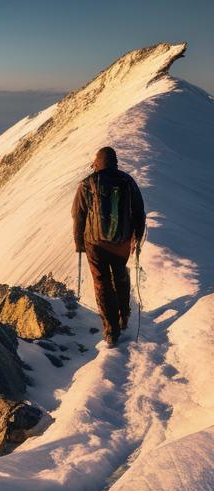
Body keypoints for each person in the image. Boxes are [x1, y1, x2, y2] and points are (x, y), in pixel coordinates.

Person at [71, 147, 146, 347]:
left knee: (102, 283)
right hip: (121, 242)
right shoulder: (127, 181)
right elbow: (139, 211)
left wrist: (79, 242)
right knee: (120, 275)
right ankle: (124, 315)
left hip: (95, 244)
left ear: (97, 163)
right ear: (115, 162)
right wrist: (137, 237)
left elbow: (78, 215)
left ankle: (111, 331)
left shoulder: (87, 184)